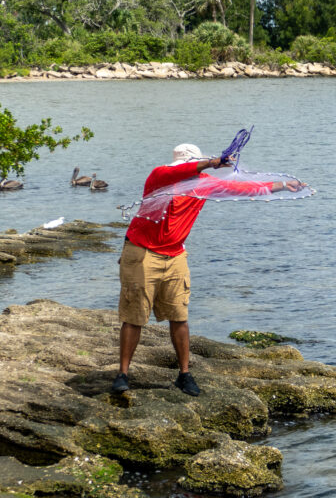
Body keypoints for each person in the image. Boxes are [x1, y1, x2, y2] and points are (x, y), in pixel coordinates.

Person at [113, 143, 304, 396]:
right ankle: (123, 374)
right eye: (188, 166)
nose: (188, 169)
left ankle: (184, 374)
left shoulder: (203, 184)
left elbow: (240, 189)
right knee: (134, 316)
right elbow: (181, 171)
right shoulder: (159, 177)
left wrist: (281, 185)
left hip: (176, 254)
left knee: (179, 315)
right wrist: (213, 162)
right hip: (142, 252)